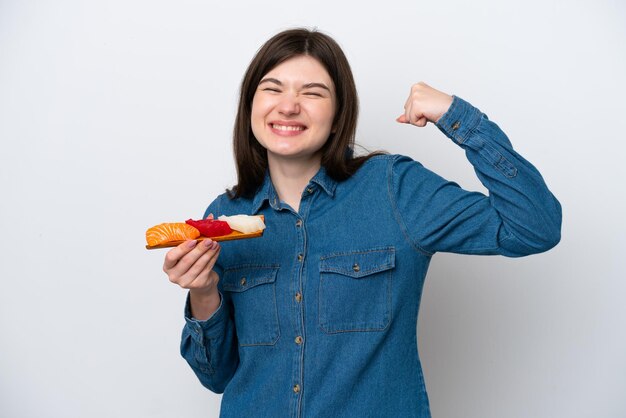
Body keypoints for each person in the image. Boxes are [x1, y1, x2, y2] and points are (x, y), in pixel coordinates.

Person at [162, 28, 561, 418]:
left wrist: (457, 116)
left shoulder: (395, 190)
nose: (288, 106)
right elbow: (216, 377)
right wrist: (204, 293)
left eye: (313, 92)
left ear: (338, 117)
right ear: (251, 106)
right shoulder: (223, 216)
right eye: (272, 88)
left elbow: (534, 227)